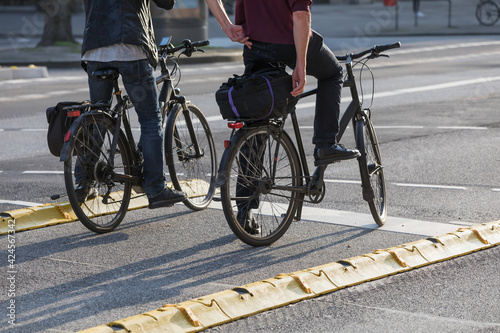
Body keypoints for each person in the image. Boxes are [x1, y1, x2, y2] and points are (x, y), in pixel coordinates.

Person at [207, 0, 360, 232]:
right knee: (333, 73)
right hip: (287, 42)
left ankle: (244, 210)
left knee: (257, 119)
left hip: (254, 45)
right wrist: (301, 64)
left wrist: (227, 26)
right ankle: (325, 143)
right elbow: (300, 17)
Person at [80, 0, 187, 209]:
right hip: (129, 48)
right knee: (150, 120)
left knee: (98, 116)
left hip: (94, 49)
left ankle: (83, 183)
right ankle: (156, 189)